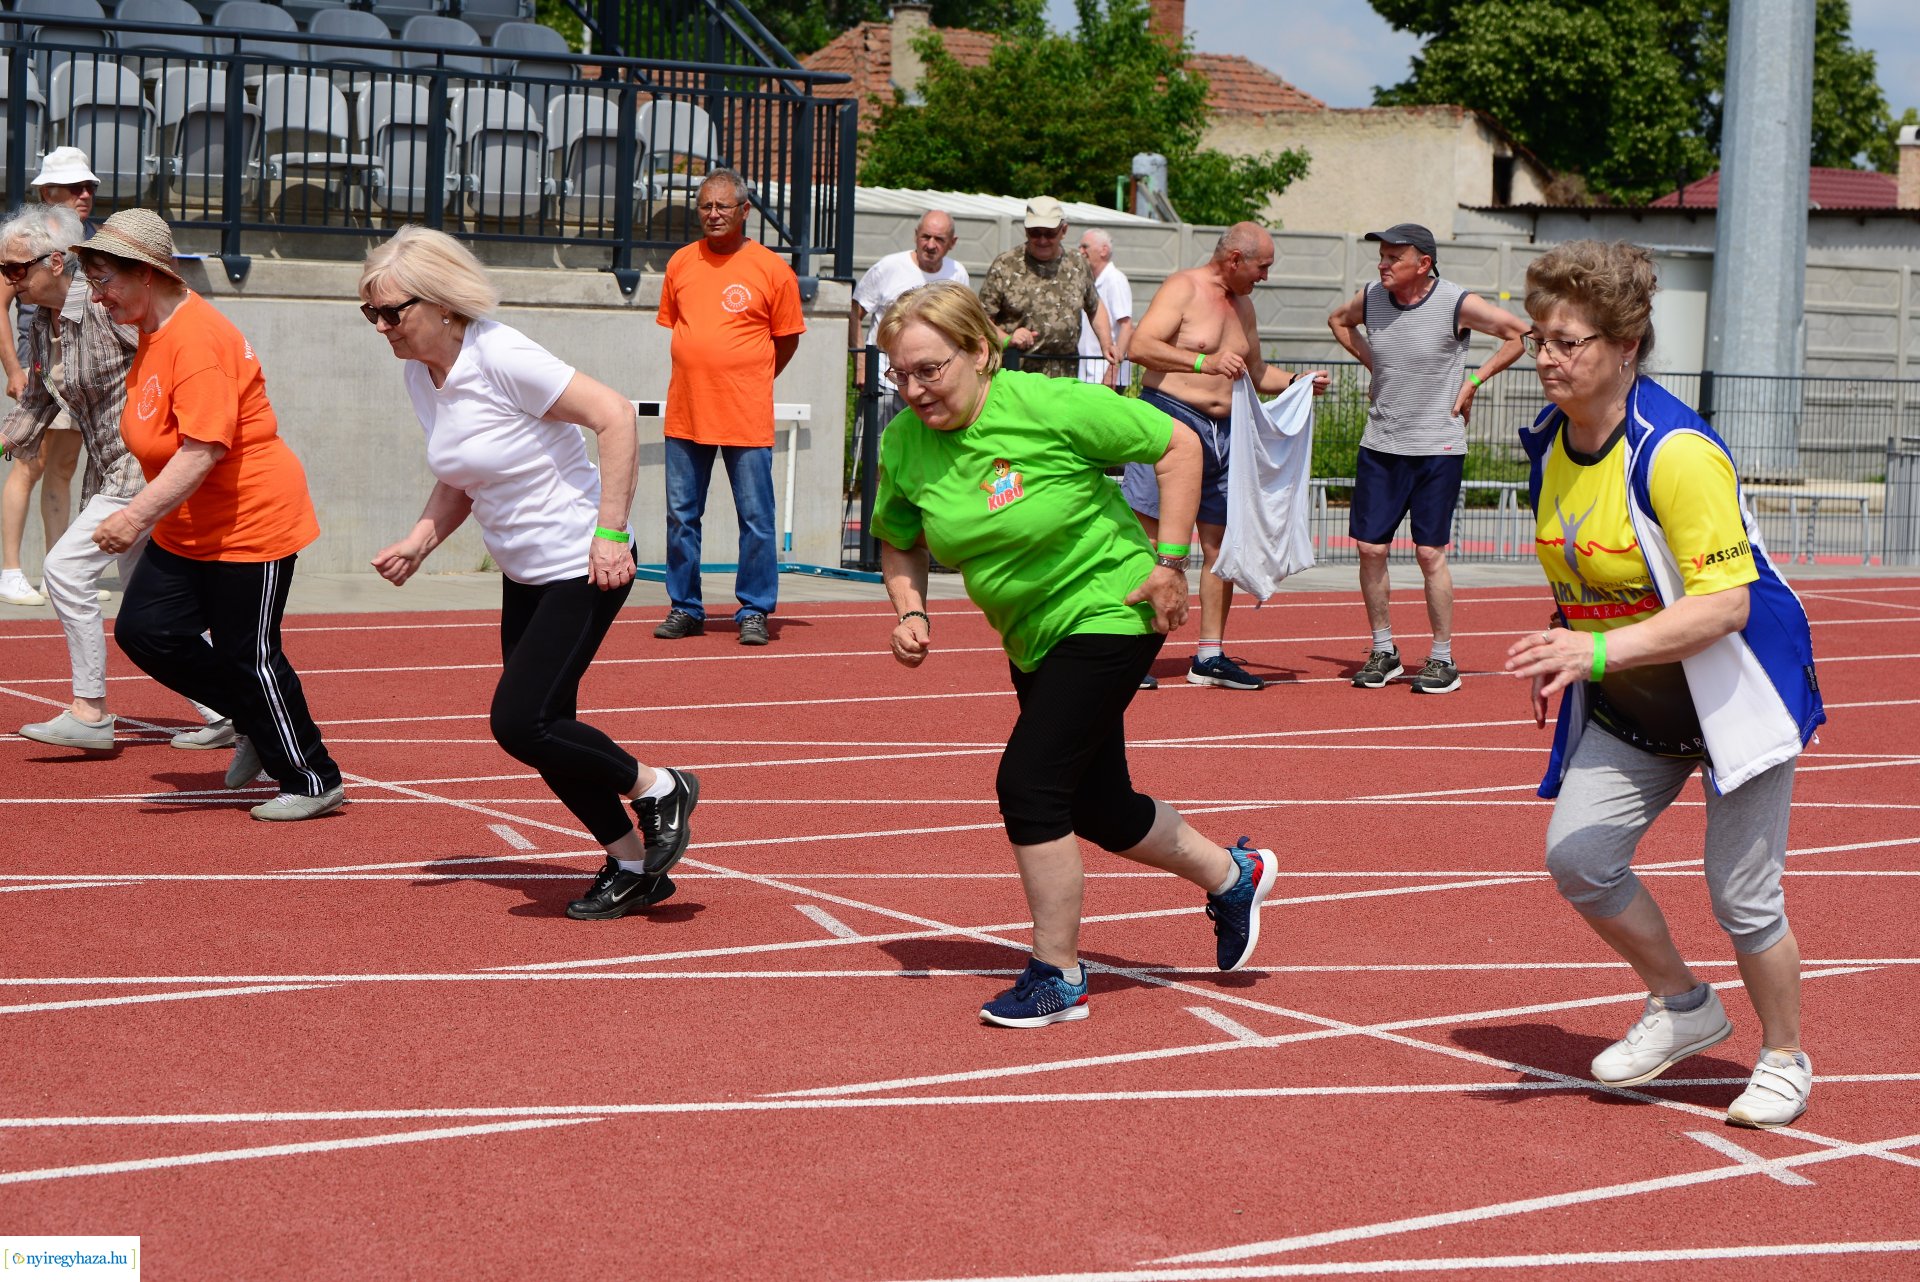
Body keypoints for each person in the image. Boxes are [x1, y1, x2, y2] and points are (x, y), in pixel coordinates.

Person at [871, 282, 1277, 1028]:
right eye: (899, 374)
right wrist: (911, 610)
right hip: (1031, 637)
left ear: (981, 352)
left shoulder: (1045, 404)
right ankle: (1232, 874)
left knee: (1029, 786)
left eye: (929, 369)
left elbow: (1178, 445)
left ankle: (1057, 975)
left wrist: (1170, 563)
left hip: (1112, 607)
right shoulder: (903, 442)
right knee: (1098, 806)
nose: (914, 389)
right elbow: (899, 539)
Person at [1502, 240, 1825, 1129]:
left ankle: (1785, 1058)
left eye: (1568, 342)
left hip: (1733, 694)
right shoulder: (1552, 443)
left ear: (1626, 347)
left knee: (1742, 896)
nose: (1547, 358)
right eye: (1538, 339)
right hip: (1634, 697)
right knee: (1580, 858)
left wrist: (1595, 653)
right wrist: (1567, 643)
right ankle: (1683, 1005)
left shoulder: (1676, 453)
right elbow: (1593, 566)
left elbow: (1724, 607)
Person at [362, 227, 698, 920]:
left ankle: (661, 787)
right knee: (551, 731)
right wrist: (422, 539)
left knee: (521, 723)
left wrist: (611, 533)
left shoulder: (502, 355)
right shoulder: (422, 374)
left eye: (392, 311)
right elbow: (464, 473)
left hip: (581, 563)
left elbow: (615, 416)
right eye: (371, 313)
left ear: (443, 304)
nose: (382, 326)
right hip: (523, 573)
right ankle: (632, 866)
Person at [77, 208, 344, 821]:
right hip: (189, 525)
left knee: (251, 656)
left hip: (251, 522)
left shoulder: (198, 340)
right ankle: (254, 717)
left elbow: (202, 450)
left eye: (104, 281)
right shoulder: (153, 330)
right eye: (92, 283)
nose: (97, 297)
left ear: (146, 273)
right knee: (147, 631)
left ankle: (313, 779)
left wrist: (132, 518)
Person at [0, 206, 222, 752]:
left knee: (65, 570)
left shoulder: (106, 308)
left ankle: (90, 710)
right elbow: (37, 397)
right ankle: (232, 707)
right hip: (108, 471)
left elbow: (170, 353)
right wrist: (5, 440)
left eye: (16, 269)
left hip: (140, 468)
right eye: (3, 269)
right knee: (153, 602)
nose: (9, 280)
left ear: (55, 263)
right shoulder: (42, 323)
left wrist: (178, 437)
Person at [1125, 223, 1329, 691]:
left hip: (1226, 434)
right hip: (1170, 421)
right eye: (1263, 267)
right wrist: (1204, 362)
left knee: (1220, 547)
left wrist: (1297, 381)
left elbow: (1255, 371)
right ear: (1235, 259)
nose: (1265, 277)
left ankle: (1209, 656)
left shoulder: (1244, 307)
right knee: (1151, 542)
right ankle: (1131, 652)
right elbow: (1140, 347)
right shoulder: (1183, 287)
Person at [1327, 222, 1527, 694]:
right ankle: (1384, 650)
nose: (1382, 264)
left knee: (1428, 553)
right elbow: (1337, 320)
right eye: (1381, 256)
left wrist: (1473, 382)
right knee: (1370, 549)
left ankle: (1442, 658)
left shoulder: (1456, 302)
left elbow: (1520, 334)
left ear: (1423, 263)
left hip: (1437, 447)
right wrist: (1375, 363)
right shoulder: (1371, 297)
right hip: (1382, 443)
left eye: (1393, 257)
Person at [653, 169, 805, 648]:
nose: (713, 214)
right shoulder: (681, 262)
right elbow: (681, 328)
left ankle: (754, 610)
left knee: (756, 520)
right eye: (705, 206)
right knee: (681, 517)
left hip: (745, 413)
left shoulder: (772, 270)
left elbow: (786, 340)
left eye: (722, 206)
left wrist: (750, 377)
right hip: (686, 413)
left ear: (744, 211)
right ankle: (685, 607)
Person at [0, 149, 101, 607]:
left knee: (63, 468)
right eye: (74, 187)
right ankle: (10, 570)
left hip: (78, 367)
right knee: (29, 463)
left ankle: (55, 574)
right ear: (47, 193)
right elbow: (0, 304)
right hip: (39, 363)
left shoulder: (91, 238)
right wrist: (13, 368)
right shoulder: (24, 240)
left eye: (89, 186)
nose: (85, 194)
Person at [977, 196, 1115, 383]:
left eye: (1049, 233)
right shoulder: (1005, 265)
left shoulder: (1077, 263)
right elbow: (981, 320)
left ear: (1063, 231)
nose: (1042, 240)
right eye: (1035, 233)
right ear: (1026, 231)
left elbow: (1095, 306)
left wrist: (1107, 344)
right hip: (1017, 377)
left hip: (1064, 378)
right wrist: (1008, 339)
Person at [850, 209, 968, 424]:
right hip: (885, 380)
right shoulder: (889, 267)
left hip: (932, 386)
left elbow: (962, 327)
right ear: (916, 235)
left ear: (952, 242)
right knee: (876, 442)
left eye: (939, 239)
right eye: (925, 237)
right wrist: (861, 366)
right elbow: (854, 313)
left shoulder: (957, 273)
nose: (930, 245)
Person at [1077, 228, 1132, 389]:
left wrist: (1112, 371)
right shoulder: (1092, 280)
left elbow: (1127, 326)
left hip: (1105, 374)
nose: (1080, 251)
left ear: (1104, 250)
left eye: (1085, 247)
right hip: (1091, 372)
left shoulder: (1115, 280)